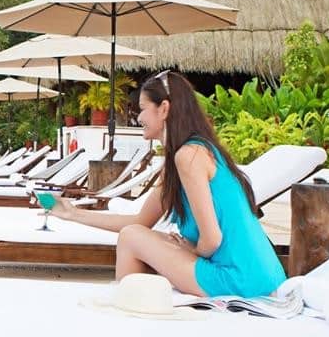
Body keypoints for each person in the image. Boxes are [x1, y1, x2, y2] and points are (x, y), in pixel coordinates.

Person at [47, 70, 286, 298]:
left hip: (241, 280)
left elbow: (212, 239)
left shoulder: (189, 155)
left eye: (142, 109)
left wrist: (191, 250)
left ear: (163, 109)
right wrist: (72, 213)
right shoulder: (184, 159)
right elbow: (139, 222)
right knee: (134, 235)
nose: (138, 118)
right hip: (261, 275)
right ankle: (134, 309)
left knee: (131, 238)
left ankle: (129, 316)